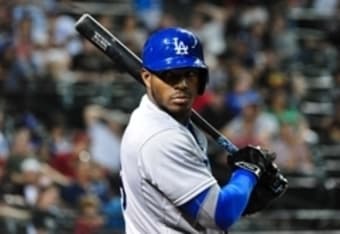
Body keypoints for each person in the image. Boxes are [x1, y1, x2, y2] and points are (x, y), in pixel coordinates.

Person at [120, 27, 284, 233]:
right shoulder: (160, 136)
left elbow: (189, 207)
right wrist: (248, 173)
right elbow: (218, 215)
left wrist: (242, 196)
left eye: (190, 74)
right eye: (170, 75)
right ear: (146, 77)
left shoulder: (173, 122)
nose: (182, 84)